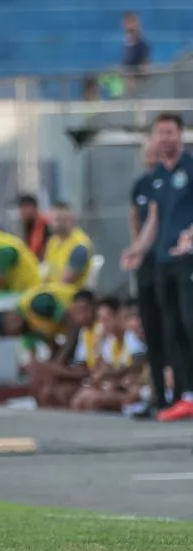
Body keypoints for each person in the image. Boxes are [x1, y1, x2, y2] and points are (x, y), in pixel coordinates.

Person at [122, 112, 193, 422]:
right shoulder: (156, 179)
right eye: (160, 133)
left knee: (190, 324)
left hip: (186, 260)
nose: (165, 138)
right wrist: (137, 249)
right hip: (163, 260)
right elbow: (153, 220)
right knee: (171, 327)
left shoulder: (190, 168)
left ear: (181, 135)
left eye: (170, 132)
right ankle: (182, 395)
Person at [128, 140, 167, 418]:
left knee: (174, 329)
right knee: (151, 332)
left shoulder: (173, 182)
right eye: (148, 156)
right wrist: (136, 250)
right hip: (148, 265)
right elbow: (136, 223)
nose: (151, 160)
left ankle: (177, 392)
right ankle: (157, 393)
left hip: (169, 262)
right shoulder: (141, 186)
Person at [0, 285, 92, 354]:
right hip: (83, 331)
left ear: (11, 313)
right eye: (12, 333)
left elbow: (72, 326)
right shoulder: (27, 328)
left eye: (11, 322)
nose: (15, 331)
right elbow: (52, 345)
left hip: (87, 312)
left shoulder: (35, 305)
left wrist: (60, 360)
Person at [43, 200, 94, 288]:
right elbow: (46, 272)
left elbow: (64, 283)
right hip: (51, 290)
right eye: (54, 220)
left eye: (61, 220)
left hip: (69, 295)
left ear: (72, 219)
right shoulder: (53, 241)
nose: (57, 224)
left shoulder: (79, 246)